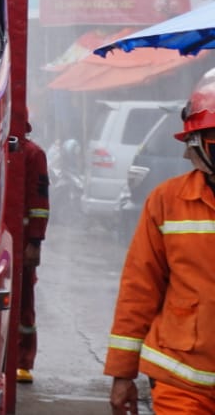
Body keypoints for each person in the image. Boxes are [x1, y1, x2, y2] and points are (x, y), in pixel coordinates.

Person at [105, 77, 215, 415]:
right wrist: (122, 372)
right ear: (196, 144)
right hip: (182, 383)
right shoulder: (167, 201)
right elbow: (139, 289)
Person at [16, 128, 49, 384]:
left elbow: (39, 201)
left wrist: (35, 241)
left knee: (24, 302)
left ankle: (24, 361)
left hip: (23, 241)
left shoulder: (33, 154)